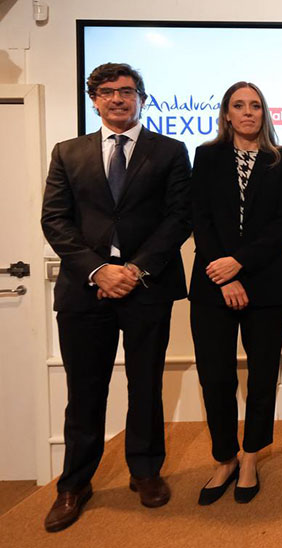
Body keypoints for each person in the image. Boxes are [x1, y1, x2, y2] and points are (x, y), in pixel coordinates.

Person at [40, 63, 191, 531]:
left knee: (145, 385)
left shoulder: (170, 150)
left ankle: (145, 472)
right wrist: (99, 270)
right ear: (94, 100)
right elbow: (54, 220)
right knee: (84, 391)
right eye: (107, 92)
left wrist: (135, 269)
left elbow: (179, 217)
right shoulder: (68, 152)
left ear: (142, 98)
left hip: (146, 287)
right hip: (85, 291)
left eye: (127, 91)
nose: (117, 99)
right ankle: (74, 484)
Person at [188, 82, 282, 505]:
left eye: (255, 105)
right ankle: (225, 458)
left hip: (267, 282)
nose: (248, 112)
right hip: (212, 281)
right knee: (215, 375)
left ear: (264, 113)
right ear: (227, 114)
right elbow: (200, 218)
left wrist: (240, 263)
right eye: (239, 105)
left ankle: (251, 456)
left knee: (263, 374)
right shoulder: (206, 156)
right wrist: (225, 273)